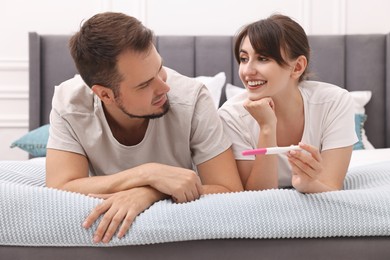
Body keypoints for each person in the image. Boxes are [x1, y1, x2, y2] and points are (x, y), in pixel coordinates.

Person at [45, 12, 243, 243]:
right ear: (105, 94)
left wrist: (151, 192)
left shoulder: (193, 97)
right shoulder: (69, 103)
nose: (163, 87)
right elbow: (60, 187)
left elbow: (229, 189)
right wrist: (148, 173)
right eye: (145, 84)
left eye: (159, 68)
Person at [218, 14, 358, 194]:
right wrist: (267, 127)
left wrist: (307, 185)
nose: (247, 71)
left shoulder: (334, 102)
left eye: (263, 58)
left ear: (298, 67)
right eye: (244, 59)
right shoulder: (231, 116)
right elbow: (256, 198)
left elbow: (331, 187)